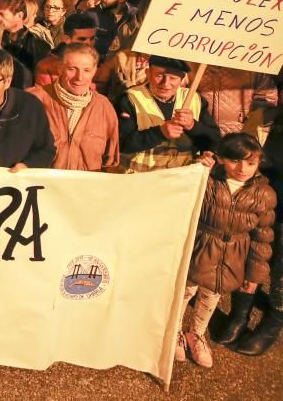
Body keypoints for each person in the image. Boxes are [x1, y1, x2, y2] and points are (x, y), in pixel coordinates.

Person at [174, 133, 276, 368]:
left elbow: (262, 238)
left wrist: (253, 277)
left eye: (251, 163)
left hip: (232, 256)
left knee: (211, 296)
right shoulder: (208, 180)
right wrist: (196, 170)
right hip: (200, 248)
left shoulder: (264, 194)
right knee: (185, 292)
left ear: (259, 162)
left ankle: (196, 333)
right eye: (235, 160)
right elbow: (181, 195)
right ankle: (175, 331)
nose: (242, 168)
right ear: (220, 159)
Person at [115, 56, 220, 173]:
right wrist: (159, 133)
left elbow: (214, 140)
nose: (165, 84)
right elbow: (119, 143)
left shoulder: (195, 99)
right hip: (139, 176)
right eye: (159, 75)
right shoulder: (129, 99)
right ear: (148, 73)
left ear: (182, 79)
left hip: (181, 177)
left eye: (173, 78)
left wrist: (193, 126)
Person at [28, 44, 120, 170]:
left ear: (94, 71)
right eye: (72, 69)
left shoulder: (104, 107)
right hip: (43, 186)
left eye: (86, 70)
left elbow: (110, 161)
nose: (79, 77)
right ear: (60, 68)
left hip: (83, 187)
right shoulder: (33, 100)